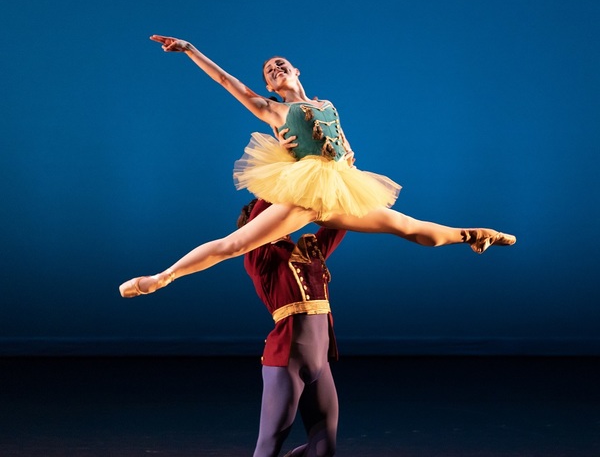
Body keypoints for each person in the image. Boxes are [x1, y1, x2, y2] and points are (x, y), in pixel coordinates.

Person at [119, 35, 516, 297]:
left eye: (281, 64)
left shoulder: (326, 103)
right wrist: (190, 50)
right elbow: (227, 82)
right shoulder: (273, 110)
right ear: (271, 87)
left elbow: (341, 142)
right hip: (308, 192)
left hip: (342, 187)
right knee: (236, 244)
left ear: (295, 71)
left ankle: (475, 234)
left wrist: (348, 158)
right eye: (269, 72)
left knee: (408, 228)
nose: (275, 69)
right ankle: (162, 277)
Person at [240, 198, 344, 457]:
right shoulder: (259, 255)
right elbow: (262, 213)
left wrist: (343, 175)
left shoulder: (308, 252)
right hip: (287, 362)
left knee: (324, 447)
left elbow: (340, 221)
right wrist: (280, 184)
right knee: (269, 444)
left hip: (320, 362)